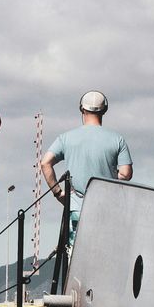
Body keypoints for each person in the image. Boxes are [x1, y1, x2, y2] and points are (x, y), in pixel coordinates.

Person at [40, 89, 132, 245]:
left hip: (75, 207)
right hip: (107, 209)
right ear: (105, 110)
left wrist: (58, 192)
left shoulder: (65, 138)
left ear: (82, 109)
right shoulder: (117, 140)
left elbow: (45, 163)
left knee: (75, 256)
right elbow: (126, 174)